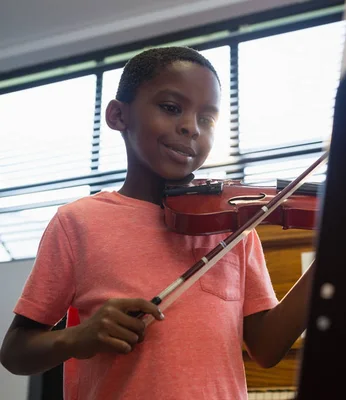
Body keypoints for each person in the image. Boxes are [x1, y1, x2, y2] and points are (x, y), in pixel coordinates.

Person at [0, 46, 316, 399]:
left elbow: (267, 348)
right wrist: (77, 336)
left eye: (207, 119)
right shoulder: (77, 222)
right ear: (119, 116)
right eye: (170, 108)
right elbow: (15, 351)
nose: (190, 128)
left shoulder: (235, 227)